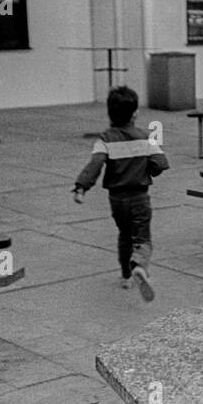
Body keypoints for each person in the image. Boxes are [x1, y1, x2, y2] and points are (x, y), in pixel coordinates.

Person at [72, 86, 168, 301]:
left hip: (117, 200)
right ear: (135, 114)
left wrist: (81, 187)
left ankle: (126, 276)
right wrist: (148, 169)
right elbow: (161, 163)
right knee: (142, 237)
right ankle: (139, 266)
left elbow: (94, 165)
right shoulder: (146, 138)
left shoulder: (105, 140)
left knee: (124, 235)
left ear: (109, 113)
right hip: (140, 197)